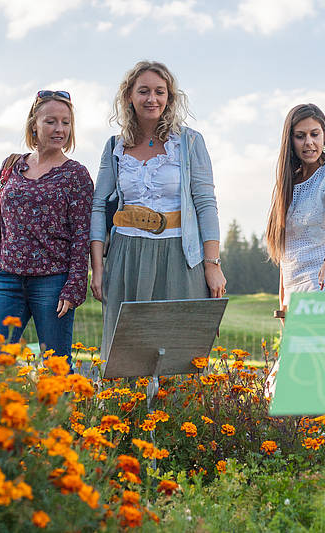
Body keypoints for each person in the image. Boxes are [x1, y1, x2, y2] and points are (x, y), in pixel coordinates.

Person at [90, 61, 226, 357]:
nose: (152, 99)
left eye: (159, 92)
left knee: (180, 351)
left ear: (169, 98)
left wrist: (212, 264)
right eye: (144, 91)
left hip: (179, 254)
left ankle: (178, 405)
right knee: (127, 351)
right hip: (127, 254)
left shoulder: (189, 143)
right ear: (129, 96)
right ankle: (127, 405)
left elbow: (206, 204)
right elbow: (99, 206)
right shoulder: (115, 146)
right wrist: (98, 269)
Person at [0, 90, 93, 363]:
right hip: (7, 278)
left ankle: (61, 408)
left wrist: (74, 285)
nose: (59, 129)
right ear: (34, 124)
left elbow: (81, 235)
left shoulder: (76, 174)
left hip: (53, 282)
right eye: (51, 121)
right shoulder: (12, 165)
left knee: (56, 367)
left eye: (66, 122)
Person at [265, 103, 325, 315]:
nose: (309, 142)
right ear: (290, 141)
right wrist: (283, 300)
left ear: (324, 137)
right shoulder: (286, 185)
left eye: (314, 134)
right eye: (300, 136)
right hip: (296, 291)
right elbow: (287, 248)